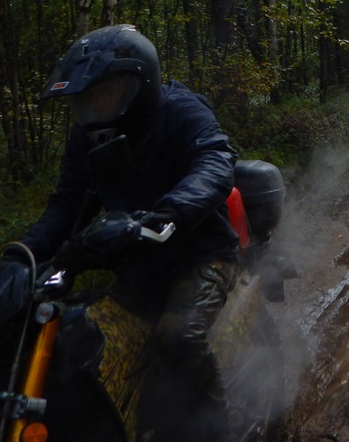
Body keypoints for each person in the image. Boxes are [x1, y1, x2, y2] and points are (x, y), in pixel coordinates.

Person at [20, 24, 239, 442]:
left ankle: (215, 431)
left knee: (178, 338)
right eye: (86, 99)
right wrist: (22, 254)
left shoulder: (181, 111)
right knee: (75, 342)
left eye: (107, 93)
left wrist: (163, 214)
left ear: (141, 83)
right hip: (139, 262)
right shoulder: (85, 138)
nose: (95, 106)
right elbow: (67, 203)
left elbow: (214, 161)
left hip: (201, 253)